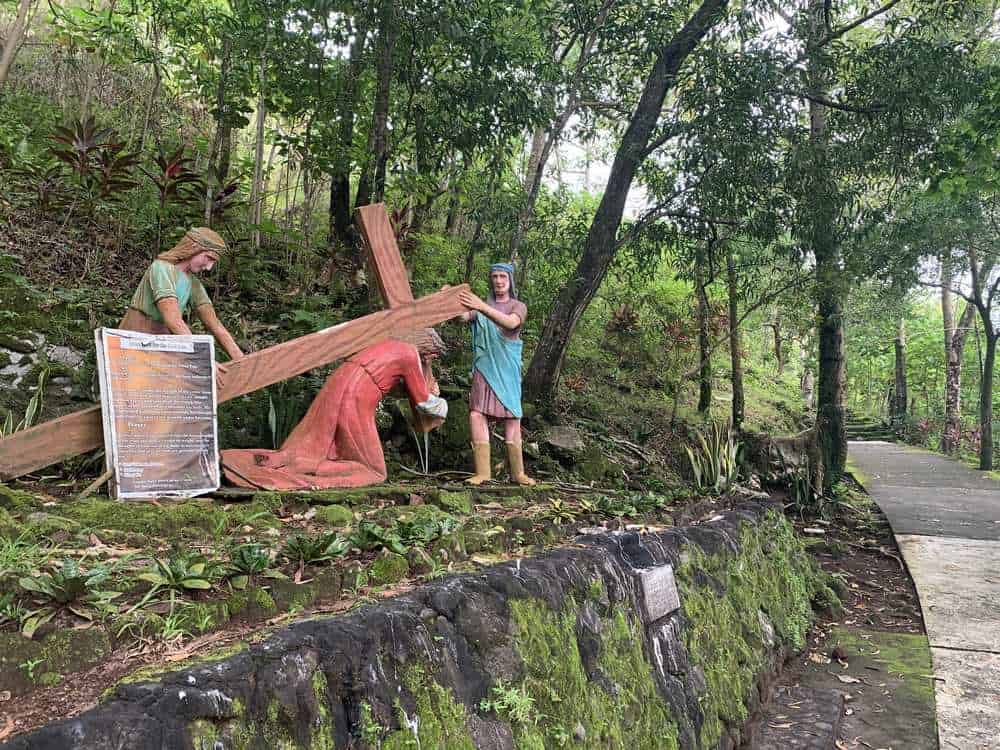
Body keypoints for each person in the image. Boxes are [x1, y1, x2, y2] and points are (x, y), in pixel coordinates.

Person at [220, 333, 448, 489]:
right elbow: (423, 403)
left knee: (323, 447)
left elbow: (386, 381)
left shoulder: (389, 344)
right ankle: (304, 469)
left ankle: (289, 462)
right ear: (429, 351)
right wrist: (440, 400)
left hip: (338, 386)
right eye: (433, 356)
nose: (431, 360)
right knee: (374, 471)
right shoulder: (409, 354)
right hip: (356, 398)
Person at [120, 227, 244, 364]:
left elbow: (215, 324)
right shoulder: (161, 268)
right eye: (208, 258)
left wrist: (241, 359)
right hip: (133, 340)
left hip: (161, 345)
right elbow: (173, 319)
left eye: (213, 262)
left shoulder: (193, 283)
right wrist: (202, 359)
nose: (209, 267)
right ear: (194, 248)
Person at [458, 262, 535, 486]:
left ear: (510, 280)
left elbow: (511, 323)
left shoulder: (517, 306)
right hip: (485, 367)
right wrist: (450, 300)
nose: (499, 281)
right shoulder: (479, 307)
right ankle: (483, 473)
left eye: (503, 276)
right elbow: (461, 317)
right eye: (494, 276)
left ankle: (518, 473)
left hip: (507, 369)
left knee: (512, 418)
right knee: (476, 414)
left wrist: (480, 306)